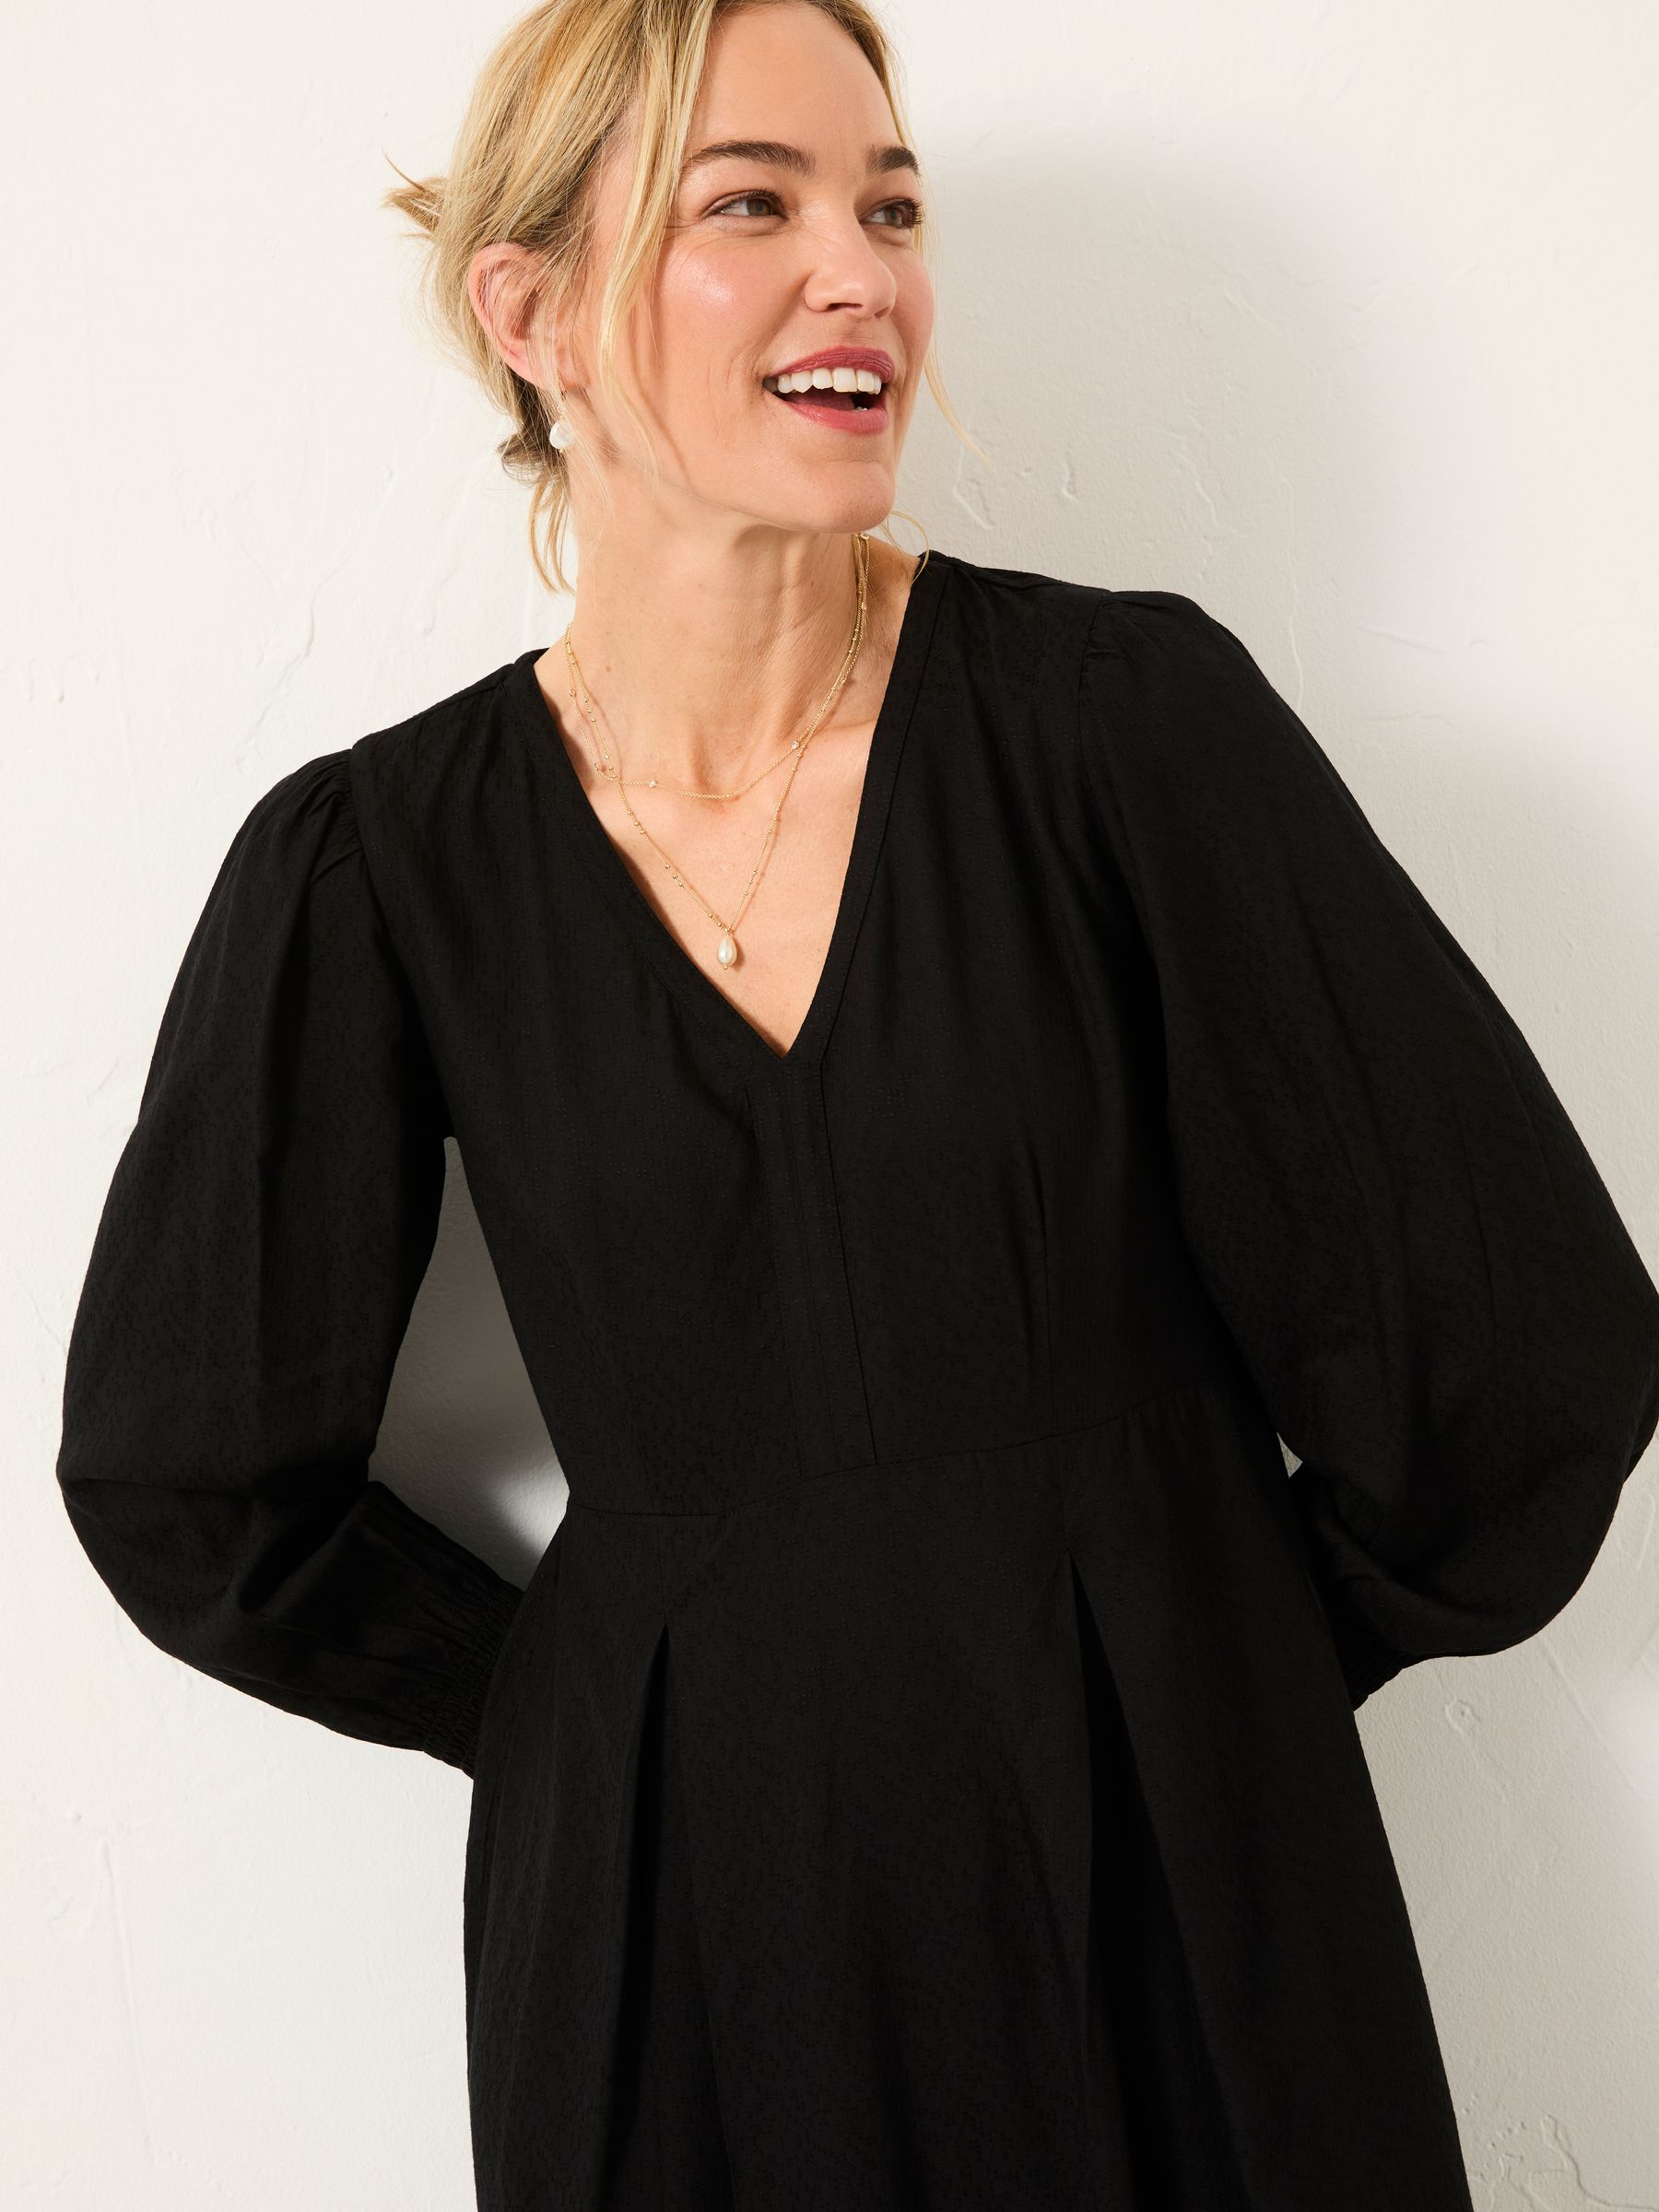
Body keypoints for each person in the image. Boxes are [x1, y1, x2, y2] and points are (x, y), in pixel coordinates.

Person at [53, 1, 1659, 2207]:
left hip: (1192, 1894)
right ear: (533, 314)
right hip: (682, 1953)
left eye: (892, 209)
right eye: (754, 204)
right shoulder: (375, 867)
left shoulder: (1121, 731)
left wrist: (1215, 1660)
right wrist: (580, 1711)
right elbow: (185, 1474)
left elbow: (1522, 1350)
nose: (860, 274)